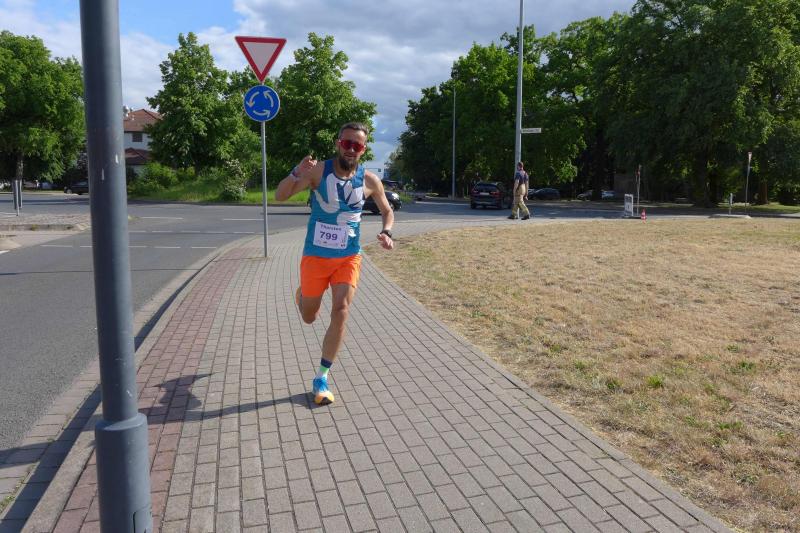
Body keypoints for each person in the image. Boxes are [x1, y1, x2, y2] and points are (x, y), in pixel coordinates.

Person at [275, 122, 395, 405]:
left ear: (363, 149)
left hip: (348, 257)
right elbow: (280, 195)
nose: (351, 149)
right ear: (338, 143)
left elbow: (387, 211)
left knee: (341, 310)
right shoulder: (318, 171)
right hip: (315, 257)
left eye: (357, 145)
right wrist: (296, 172)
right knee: (309, 317)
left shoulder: (370, 181)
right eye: (346, 143)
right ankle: (302, 297)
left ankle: (322, 377)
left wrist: (387, 232)